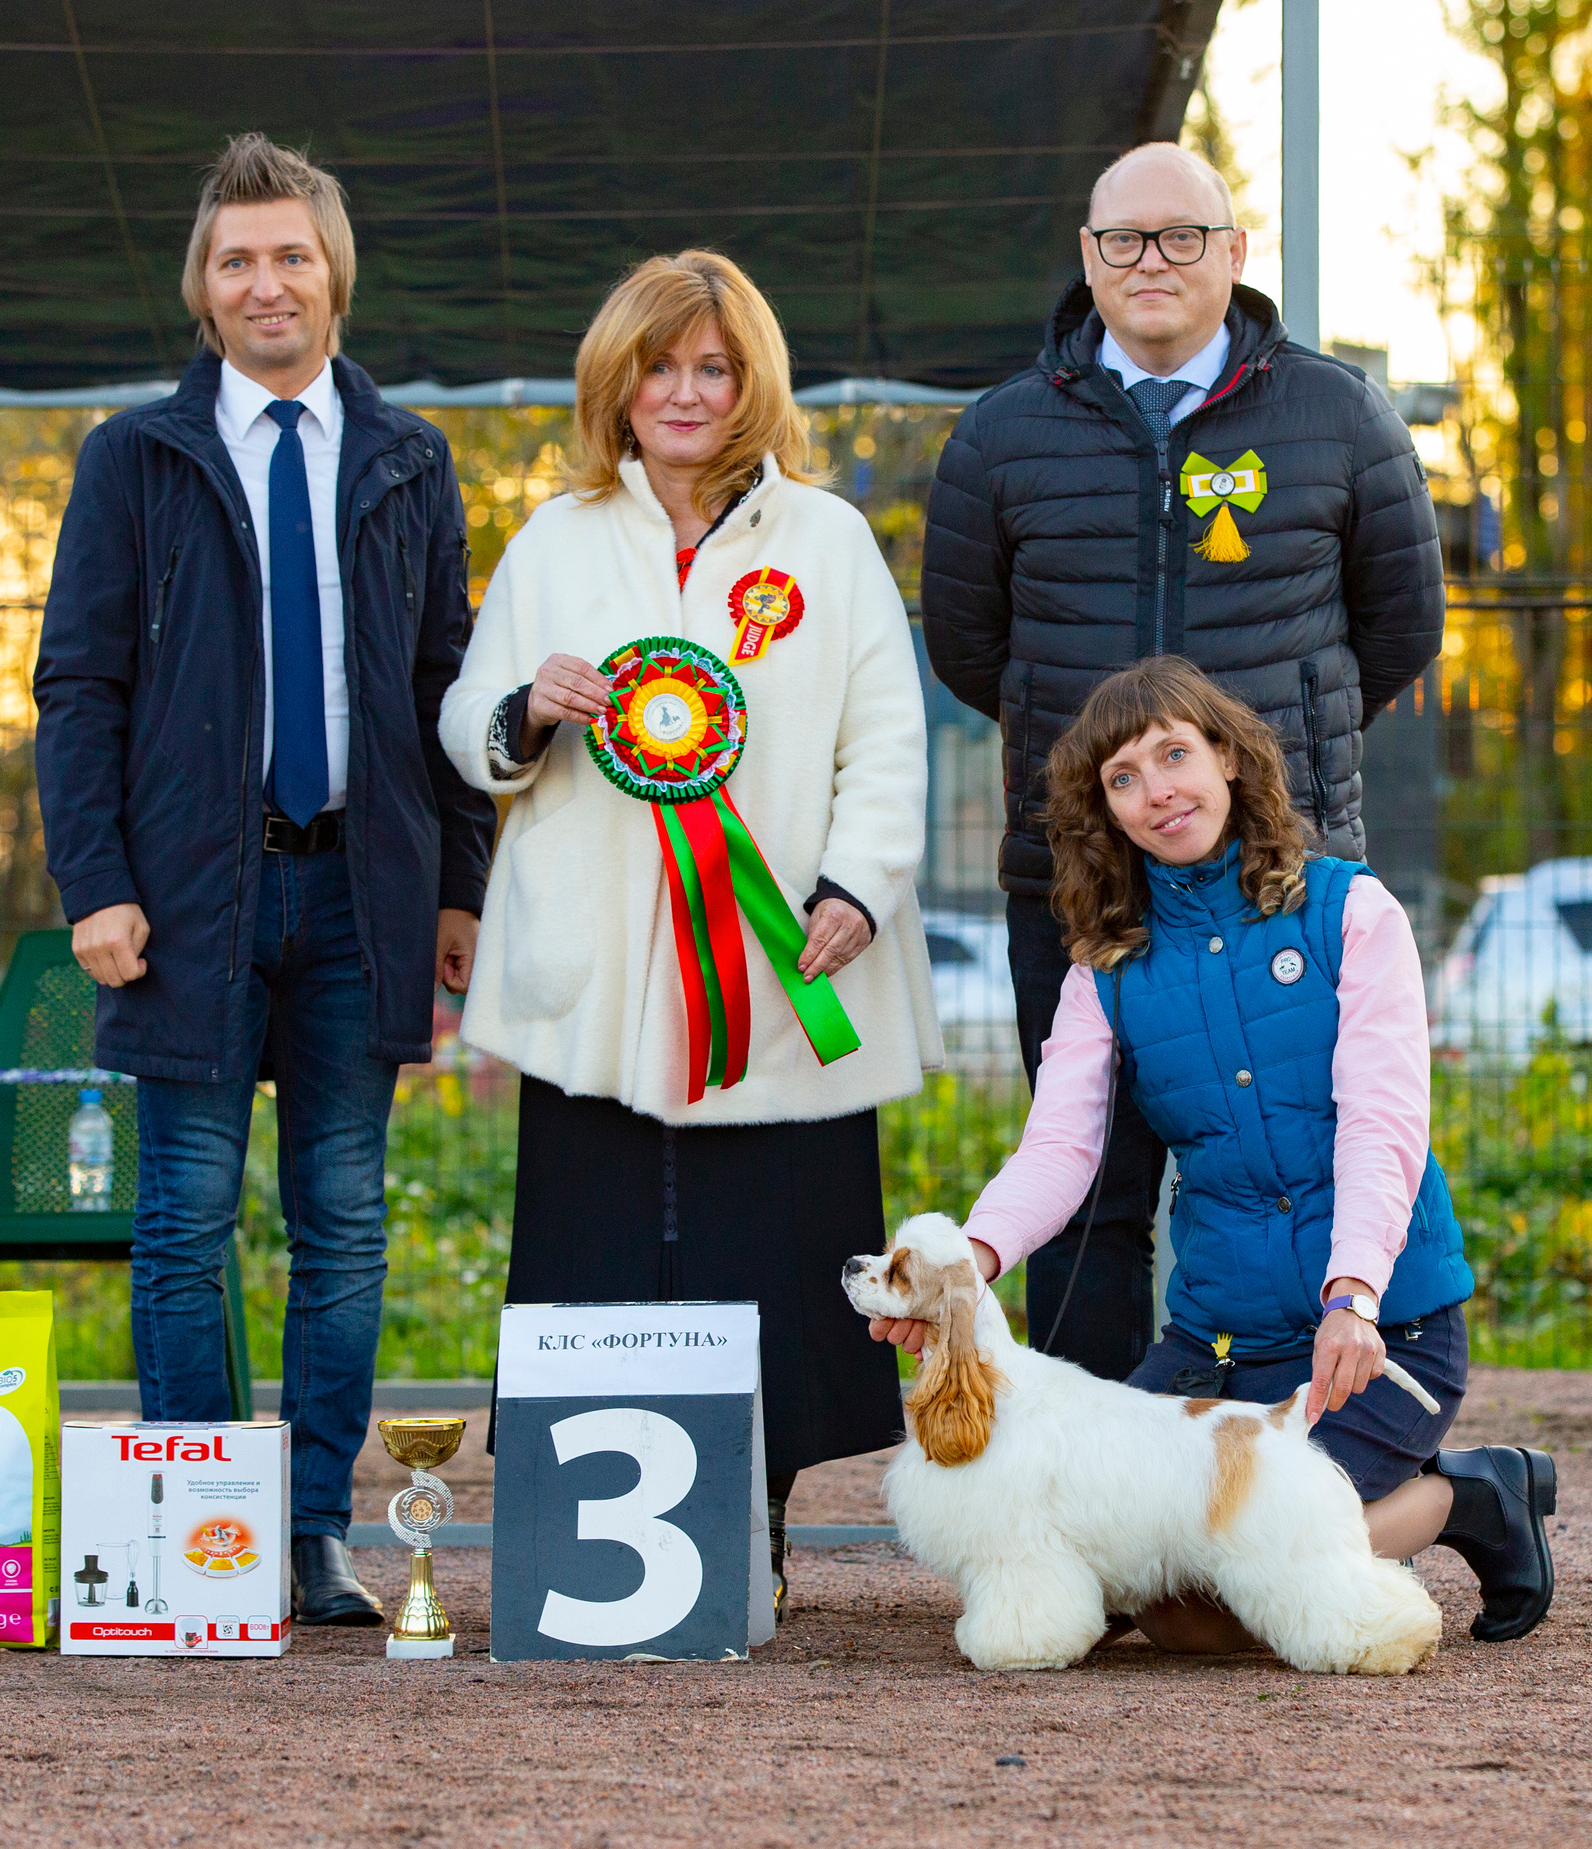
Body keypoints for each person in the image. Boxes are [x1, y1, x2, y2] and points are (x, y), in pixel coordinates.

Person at [35, 134, 494, 1628]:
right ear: (203, 288)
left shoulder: (411, 460)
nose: (265, 281)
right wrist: (95, 881)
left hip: (363, 891)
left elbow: (448, 684)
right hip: (182, 904)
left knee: (344, 1223)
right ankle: (190, 1527)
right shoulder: (134, 459)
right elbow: (78, 688)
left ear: (334, 272)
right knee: (179, 1219)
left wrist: (459, 888)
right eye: (236, 259)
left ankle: (308, 1536)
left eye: (290, 253)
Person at [438, 250, 940, 1615]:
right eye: (660, 365)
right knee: (597, 1248)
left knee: (765, 1247)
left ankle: (748, 1535)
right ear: (620, 378)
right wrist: (526, 709)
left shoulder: (828, 542)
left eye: (714, 368)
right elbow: (467, 723)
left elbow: (887, 741)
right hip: (596, 977)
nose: (686, 391)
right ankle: (591, 1544)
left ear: (750, 383)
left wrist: (856, 883)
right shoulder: (552, 538)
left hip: (783, 965)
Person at [870, 657, 1555, 1647]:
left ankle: (1472, 1497)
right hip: (1216, 1342)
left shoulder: (1350, 912)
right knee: (1130, 1585)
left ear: (1228, 759)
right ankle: (1394, 1513)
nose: (1157, 793)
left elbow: (1383, 1121)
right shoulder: (1106, 966)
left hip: (1377, 1331)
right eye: (1123, 779)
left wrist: (1354, 1292)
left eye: (1174, 756)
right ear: (1103, 812)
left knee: (1229, 1599)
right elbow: (1058, 1146)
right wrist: (961, 1272)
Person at [920, 142, 1447, 1386]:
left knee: (1293, 1162)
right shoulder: (1000, 436)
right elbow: (968, 646)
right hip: (1079, 881)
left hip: (1284, 875)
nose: (1149, 261)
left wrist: (1264, 772)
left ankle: (1314, 1452)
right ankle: (1088, 1506)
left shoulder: (1338, 415)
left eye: (1179, 237)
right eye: (1121, 240)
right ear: (1087, 260)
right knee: (1089, 1183)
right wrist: (1101, 777)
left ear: (1234, 253)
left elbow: (1399, 629)